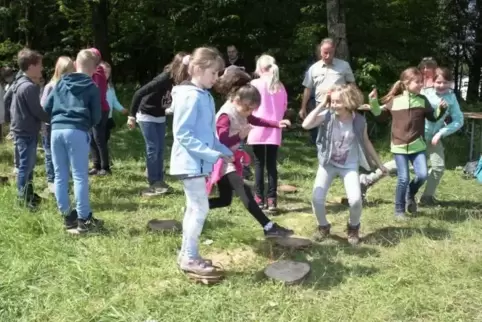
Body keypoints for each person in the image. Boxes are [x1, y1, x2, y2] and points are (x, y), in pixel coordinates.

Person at [207, 67, 294, 237]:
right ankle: (269, 227)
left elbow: (254, 119)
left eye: (252, 109)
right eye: (248, 109)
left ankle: (195, 207)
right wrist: (239, 135)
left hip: (229, 157)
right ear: (238, 100)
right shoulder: (226, 115)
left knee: (225, 200)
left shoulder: (242, 108)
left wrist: (276, 124)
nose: (250, 113)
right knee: (244, 190)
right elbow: (221, 140)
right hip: (220, 159)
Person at [169, 47, 233, 276]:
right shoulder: (189, 96)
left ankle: (187, 253)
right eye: (214, 73)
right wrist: (210, 155)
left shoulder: (203, 95)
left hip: (197, 163)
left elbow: (208, 134)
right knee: (199, 208)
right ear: (197, 69)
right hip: (190, 163)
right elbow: (183, 134)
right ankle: (189, 257)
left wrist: (223, 150)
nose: (216, 79)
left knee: (194, 209)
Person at [302, 84, 386, 244]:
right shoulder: (327, 115)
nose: (334, 105)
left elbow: (367, 142)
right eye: (332, 101)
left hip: (349, 166)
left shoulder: (360, 121)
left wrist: (380, 164)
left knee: (355, 200)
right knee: (317, 198)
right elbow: (306, 125)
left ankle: (353, 227)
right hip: (328, 164)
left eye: (337, 102)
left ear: (349, 102)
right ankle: (323, 227)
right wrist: (322, 104)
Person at [368, 67, 446, 219]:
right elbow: (378, 115)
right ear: (406, 83)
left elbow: (433, 117)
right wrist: (373, 100)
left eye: (421, 82)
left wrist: (441, 110)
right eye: (417, 82)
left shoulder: (423, 100)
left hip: (418, 147)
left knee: (422, 175)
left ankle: (410, 193)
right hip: (399, 147)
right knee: (402, 178)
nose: (421, 85)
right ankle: (399, 210)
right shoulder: (395, 101)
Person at [43, 49, 103, 233]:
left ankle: (67, 216)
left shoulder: (60, 82)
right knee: (79, 176)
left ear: (76, 64)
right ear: (94, 69)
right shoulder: (92, 86)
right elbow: (97, 116)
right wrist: (86, 124)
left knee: (60, 175)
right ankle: (84, 219)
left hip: (56, 131)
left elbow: (46, 106)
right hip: (77, 131)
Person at [128, 52, 189, 196]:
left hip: (160, 116)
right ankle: (153, 181)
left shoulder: (182, 80)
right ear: (180, 67)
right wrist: (131, 116)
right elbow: (139, 93)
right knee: (153, 148)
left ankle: (159, 179)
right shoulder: (164, 77)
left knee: (160, 149)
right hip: (146, 114)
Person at [247, 54, 287, 212]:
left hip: (257, 128)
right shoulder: (280, 86)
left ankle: (259, 199)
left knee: (258, 163)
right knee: (271, 165)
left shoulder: (254, 83)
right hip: (275, 128)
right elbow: (284, 106)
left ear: (260, 68)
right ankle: (272, 200)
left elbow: (249, 104)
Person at [9, 48, 49, 209]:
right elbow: (38, 111)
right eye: (39, 65)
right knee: (26, 165)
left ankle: (30, 194)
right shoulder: (29, 87)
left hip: (21, 129)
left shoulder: (19, 83)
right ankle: (22, 200)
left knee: (27, 165)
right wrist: (53, 119)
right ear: (31, 66)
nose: (41, 68)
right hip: (26, 131)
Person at [419, 67, 464, 205]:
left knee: (438, 167)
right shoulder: (424, 93)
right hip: (417, 136)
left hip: (434, 138)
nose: (441, 85)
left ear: (450, 83)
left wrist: (441, 133)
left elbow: (459, 120)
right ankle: (369, 179)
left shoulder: (451, 97)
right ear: (432, 82)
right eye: (438, 82)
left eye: (445, 82)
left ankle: (427, 197)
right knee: (404, 164)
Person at [40, 56, 75, 194]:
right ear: (59, 70)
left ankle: (66, 180)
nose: (69, 73)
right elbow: (43, 106)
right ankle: (51, 181)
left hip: (66, 125)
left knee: (66, 154)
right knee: (50, 154)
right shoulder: (50, 86)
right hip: (50, 126)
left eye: (71, 70)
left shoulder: (72, 86)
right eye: (66, 70)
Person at [299, 38, 355, 120]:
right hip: (320, 106)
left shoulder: (344, 66)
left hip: (339, 106)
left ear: (334, 51)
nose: (328, 56)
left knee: (338, 131)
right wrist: (303, 108)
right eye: (325, 53)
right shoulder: (313, 68)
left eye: (331, 53)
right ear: (320, 52)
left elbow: (352, 85)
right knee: (320, 132)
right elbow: (307, 89)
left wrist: (352, 103)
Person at [88, 48, 111, 176]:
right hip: (94, 109)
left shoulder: (98, 73)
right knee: (91, 138)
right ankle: (96, 165)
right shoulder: (93, 72)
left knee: (99, 138)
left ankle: (105, 167)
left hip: (100, 110)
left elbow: (97, 93)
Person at [101, 61, 128, 144]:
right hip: (99, 118)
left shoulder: (110, 86)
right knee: (98, 140)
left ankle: (103, 154)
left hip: (108, 117)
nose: (106, 74)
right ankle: (98, 156)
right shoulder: (95, 86)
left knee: (106, 138)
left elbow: (114, 101)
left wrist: (122, 109)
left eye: (108, 72)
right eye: (104, 72)